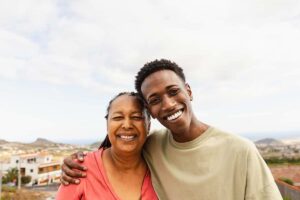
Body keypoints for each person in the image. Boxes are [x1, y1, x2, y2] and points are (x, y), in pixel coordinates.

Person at [61, 59, 282, 200]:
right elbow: (125, 137)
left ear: (189, 91)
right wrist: (77, 161)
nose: (168, 104)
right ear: (152, 112)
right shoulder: (153, 146)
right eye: (155, 100)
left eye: (173, 91)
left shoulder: (240, 150)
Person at [56, 92, 157, 200]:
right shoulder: (79, 170)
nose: (127, 125)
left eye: (136, 117)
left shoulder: (159, 168)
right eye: (118, 117)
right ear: (107, 125)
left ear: (148, 126)